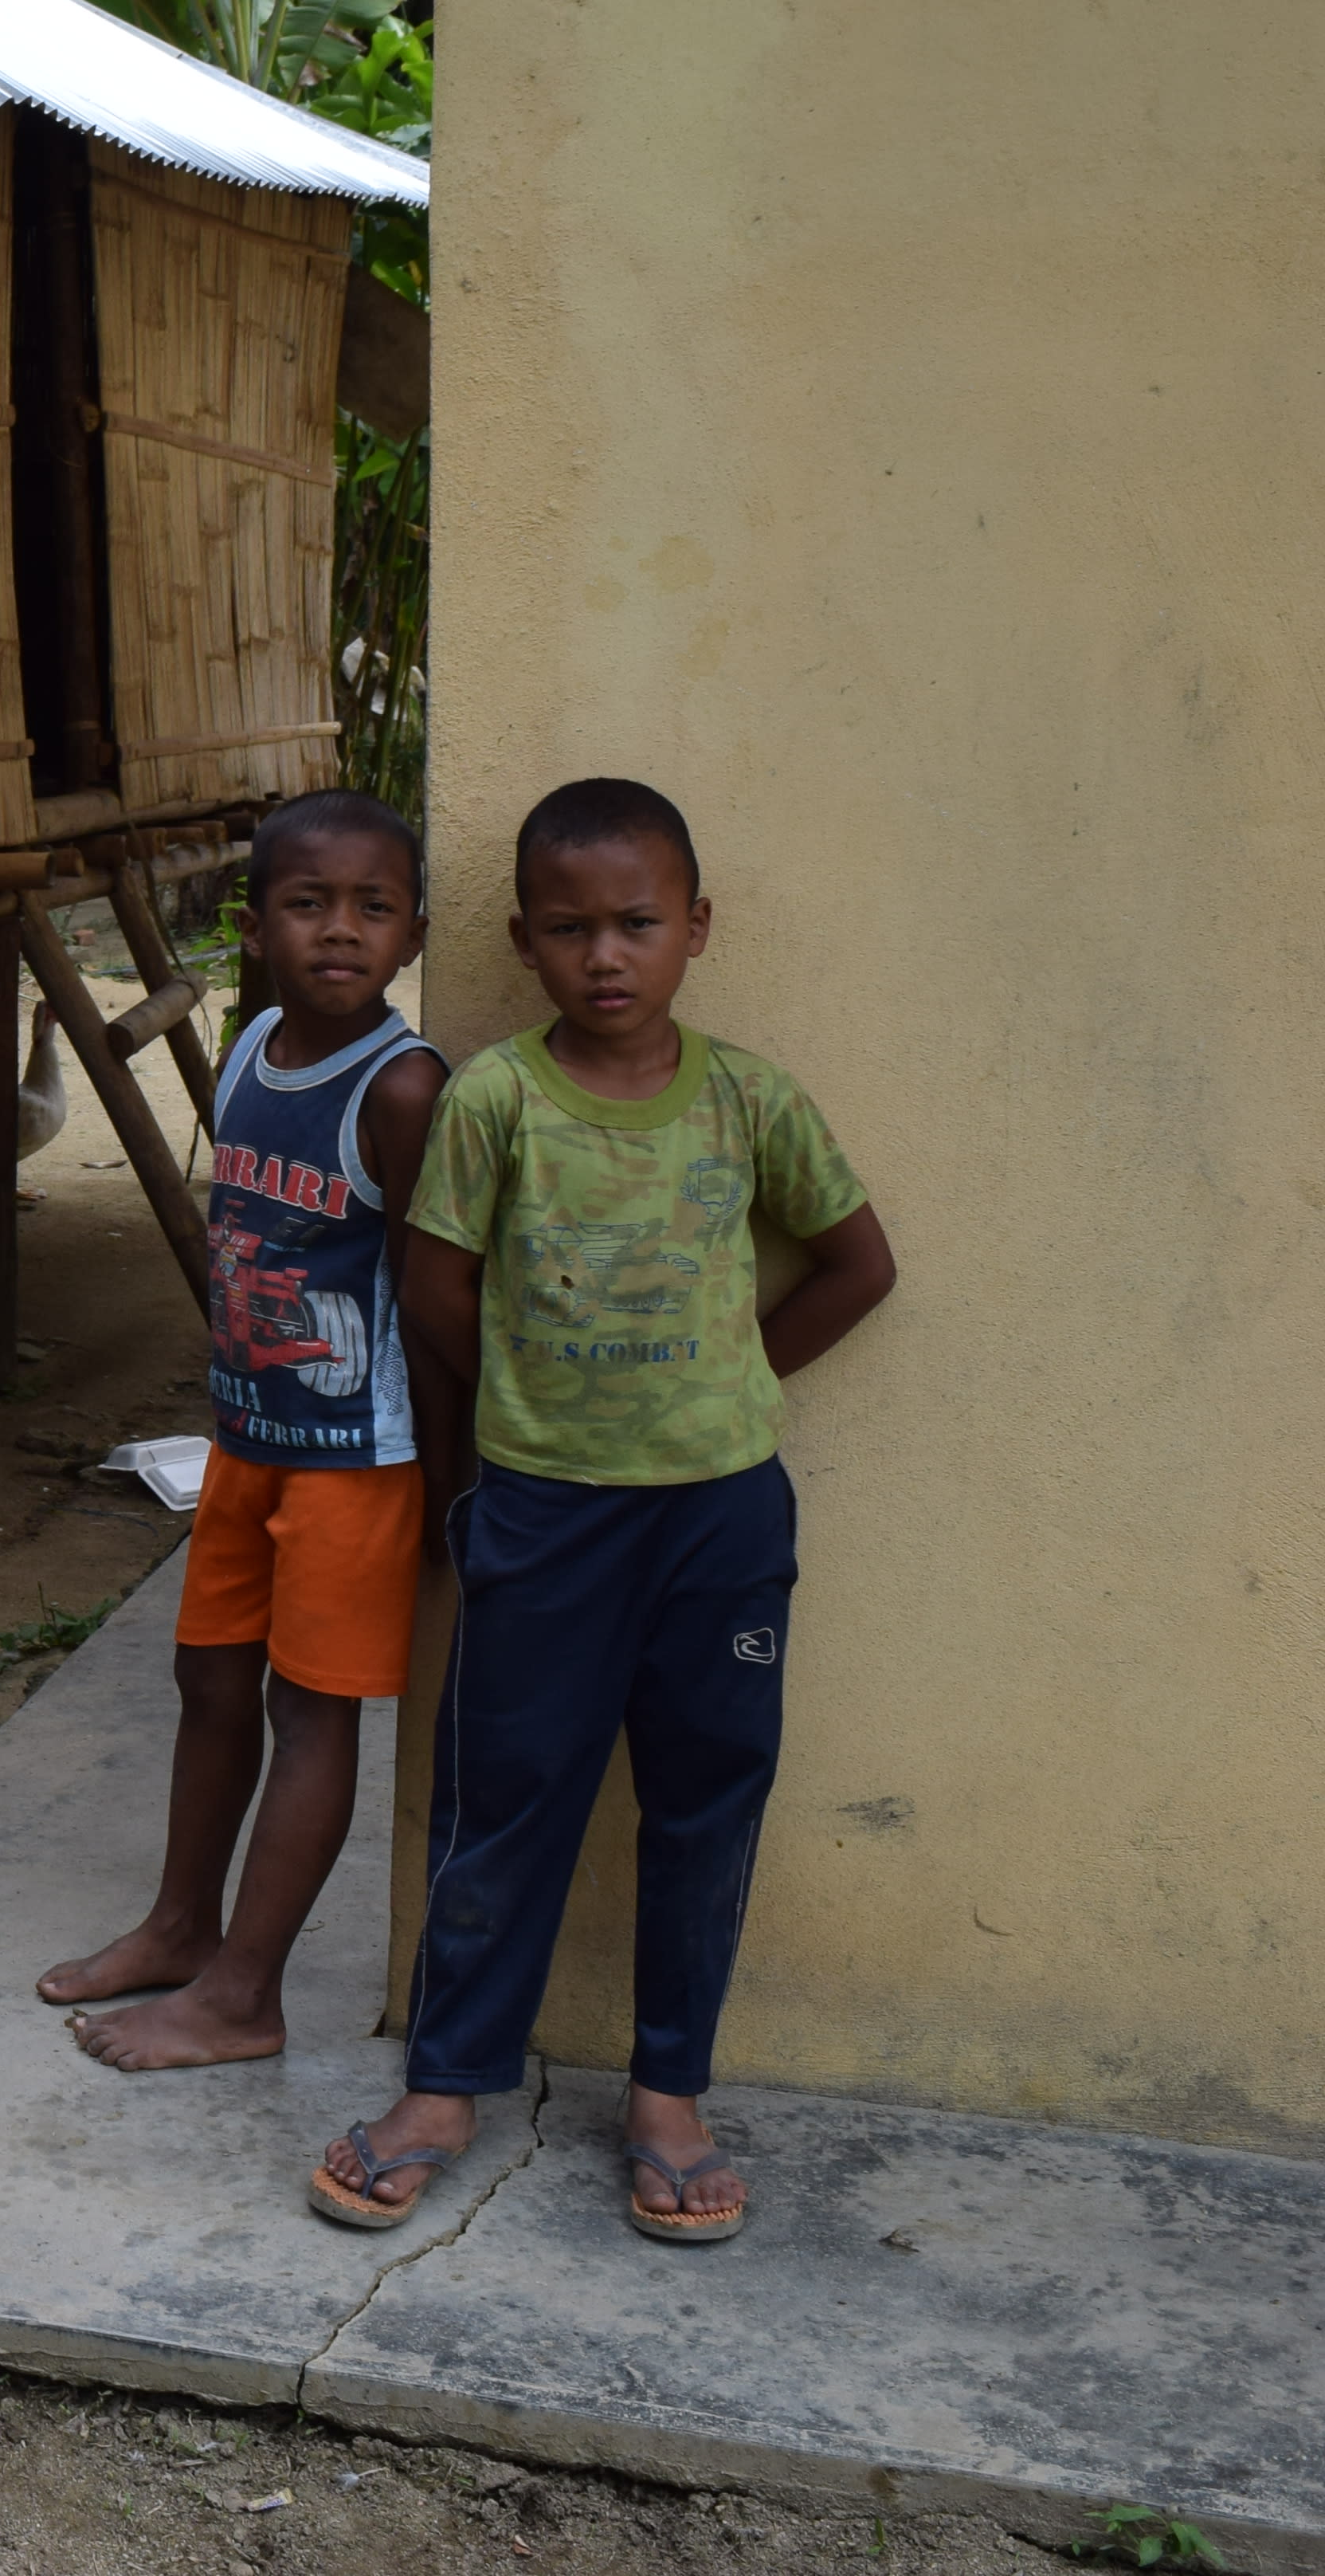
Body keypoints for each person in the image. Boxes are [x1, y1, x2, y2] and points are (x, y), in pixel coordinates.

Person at [313, 779, 896, 2246]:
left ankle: (669, 2098)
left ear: (695, 927)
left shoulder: (751, 1100)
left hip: (720, 1521)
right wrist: (521, 1408)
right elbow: (433, 1280)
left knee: (706, 1800)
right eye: (570, 930)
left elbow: (857, 1263)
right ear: (525, 939)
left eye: (638, 923)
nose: (606, 956)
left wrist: (727, 1377)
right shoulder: (497, 1101)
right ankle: (448, 2084)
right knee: (503, 1799)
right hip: (546, 1511)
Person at [35, 791, 448, 2070]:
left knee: (307, 1713)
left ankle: (245, 1996)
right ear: (257, 925)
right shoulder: (259, 1038)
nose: (341, 931)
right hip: (246, 1442)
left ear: (414, 931)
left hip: (357, 1466)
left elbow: (437, 1305)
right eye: (308, 905)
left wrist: (458, 1488)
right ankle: (178, 1926)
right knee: (207, 1678)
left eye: (373, 908)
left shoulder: (405, 1087)